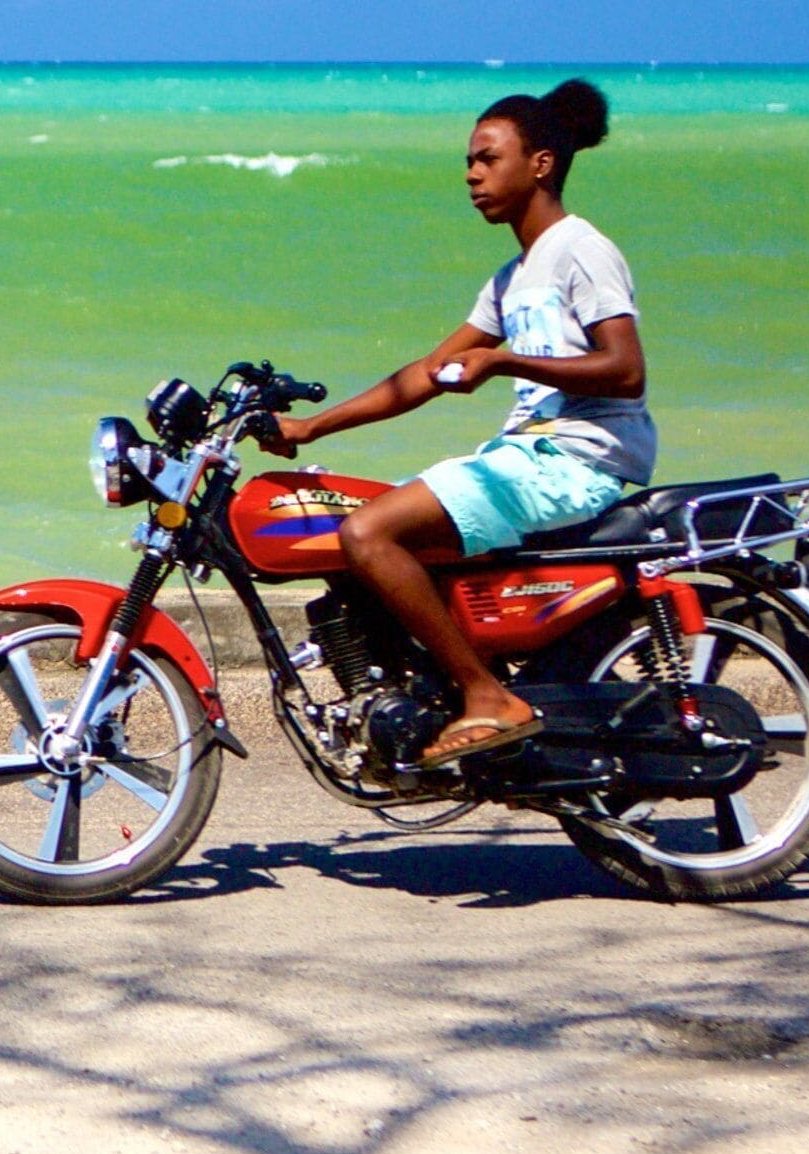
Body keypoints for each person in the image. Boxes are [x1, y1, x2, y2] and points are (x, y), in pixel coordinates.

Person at [256, 79, 652, 764]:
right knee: (372, 527)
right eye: (469, 161)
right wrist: (310, 429)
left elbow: (626, 369)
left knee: (368, 531)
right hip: (529, 456)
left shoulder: (580, 249)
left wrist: (504, 362)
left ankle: (486, 695)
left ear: (541, 164)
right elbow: (426, 374)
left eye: (488, 158)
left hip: (578, 459)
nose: (472, 174)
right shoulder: (511, 277)